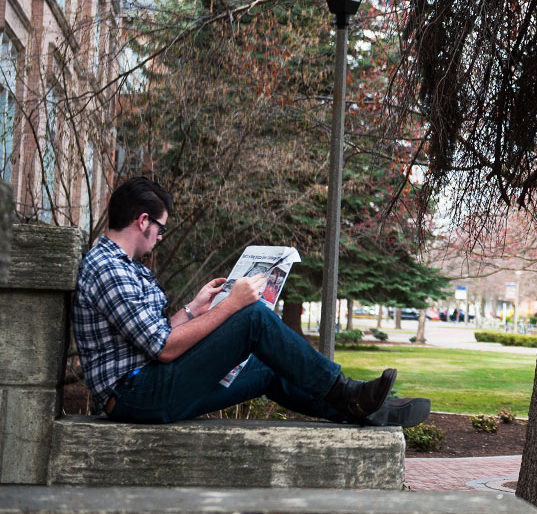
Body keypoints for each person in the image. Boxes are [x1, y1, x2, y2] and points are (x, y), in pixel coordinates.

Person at [72, 177, 430, 427]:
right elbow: (163, 348)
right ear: (143, 221)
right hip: (138, 395)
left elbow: (151, 336)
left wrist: (193, 309)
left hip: (149, 385)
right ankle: (348, 392)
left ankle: (366, 412)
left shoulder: (126, 267)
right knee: (254, 317)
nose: (161, 238)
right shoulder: (107, 268)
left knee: (266, 366)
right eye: (161, 229)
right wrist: (231, 305)